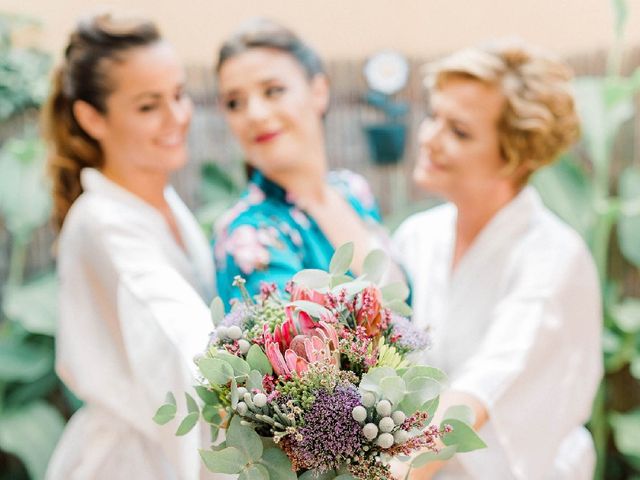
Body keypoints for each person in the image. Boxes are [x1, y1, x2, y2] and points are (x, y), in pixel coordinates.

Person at [393, 40, 602, 479]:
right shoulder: (417, 237)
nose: (430, 138)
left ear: (516, 156)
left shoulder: (552, 258)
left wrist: (396, 470)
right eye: (434, 116)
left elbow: (485, 383)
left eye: (459, 131)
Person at [42, 12, 221, 480]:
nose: (177, 117)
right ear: (91, 117)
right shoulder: (103, 223)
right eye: (149, 106)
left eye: (179, 95)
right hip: (130, 462)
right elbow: (181, 338)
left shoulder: (161, 201)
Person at [212, 18, 402, 305]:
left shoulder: (353, 190)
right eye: (235, 102)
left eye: (273, 90)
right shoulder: (247, 233)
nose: (255, 114)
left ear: (318, 91)